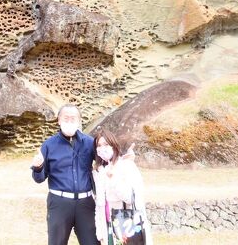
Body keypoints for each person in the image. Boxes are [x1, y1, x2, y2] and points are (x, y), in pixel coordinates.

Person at [30, 104, 98, 245]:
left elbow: (103, 164)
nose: (69, 121)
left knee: (92, 242)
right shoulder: (49, 145)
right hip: (59, 203)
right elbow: (39, 178)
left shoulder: (90, 143)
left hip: (86, 204)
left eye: (73, 118)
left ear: (79, 121)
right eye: (65, 118)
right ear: (59, 120)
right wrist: (38, 167)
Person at [92, 128, 152, 245]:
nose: (102, 148)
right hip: (109, 228)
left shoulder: (127, 165)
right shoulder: (98, 171)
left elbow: (131, 198)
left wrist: (114, 179)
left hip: (127, 225)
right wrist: (100, 234)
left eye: (106, 144)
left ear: (113, 145)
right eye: (99, 145)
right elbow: (99, 205)